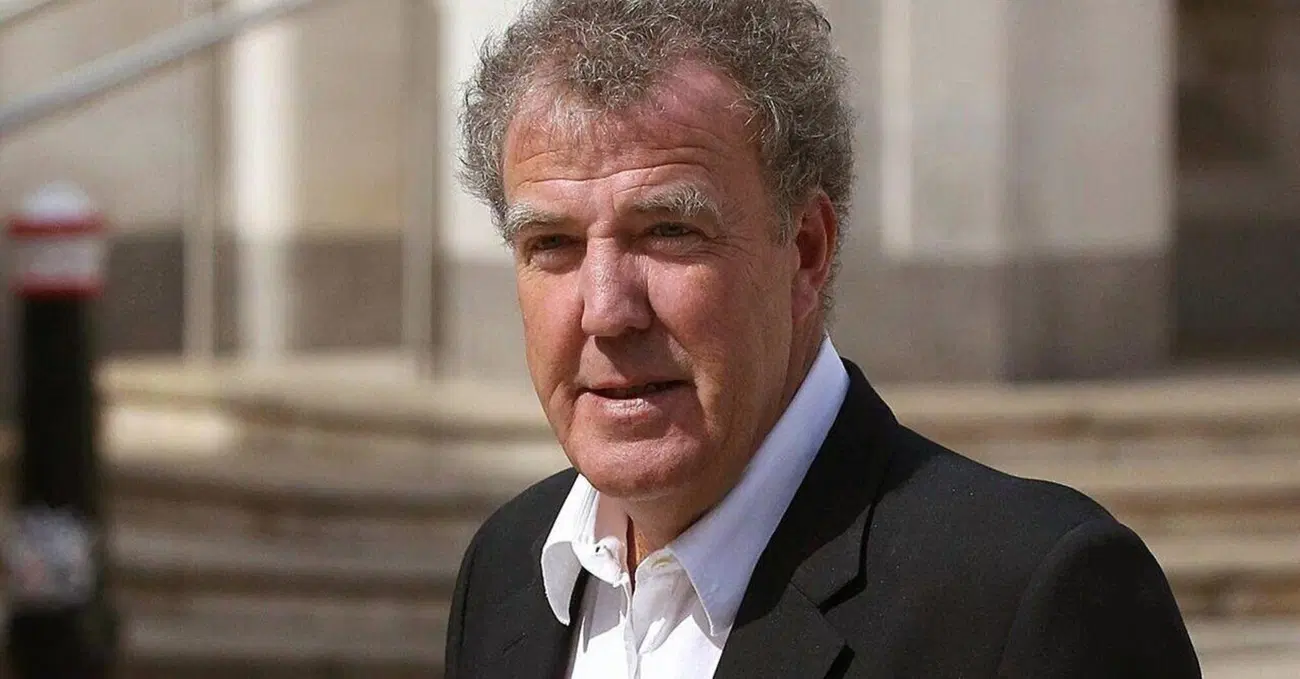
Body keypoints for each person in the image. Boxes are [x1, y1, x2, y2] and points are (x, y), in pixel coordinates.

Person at [444, 1, 1202, 677]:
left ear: (806, 250)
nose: (608, 311)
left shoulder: (1031, 600)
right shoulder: (507, 571)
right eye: (552, 244)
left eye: (669, 231)